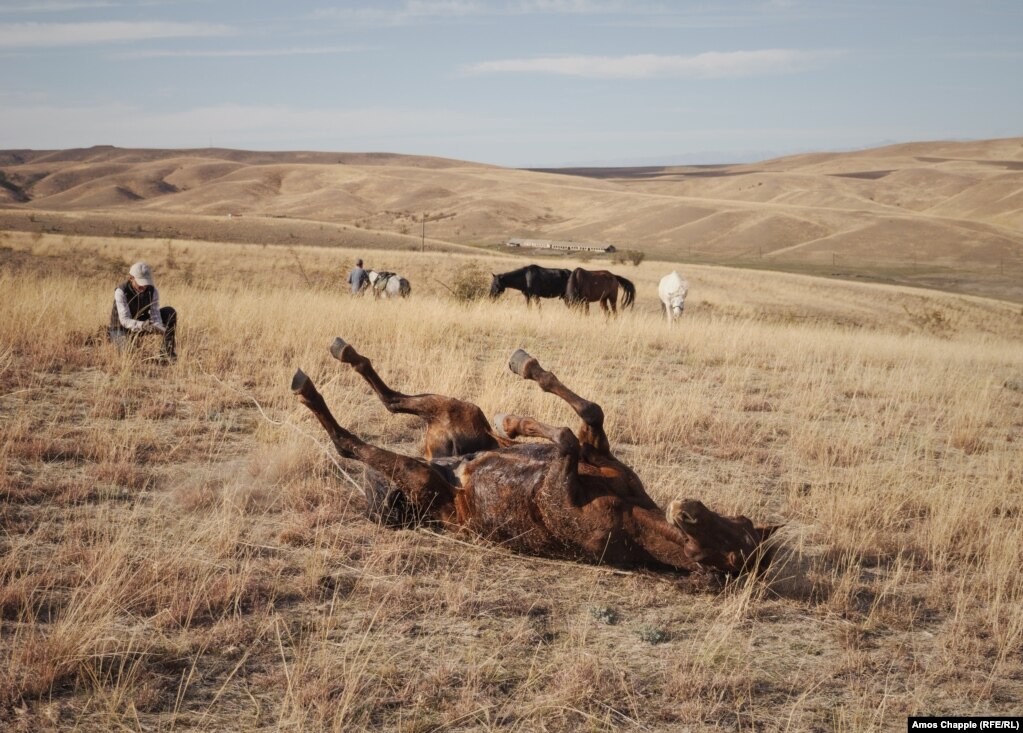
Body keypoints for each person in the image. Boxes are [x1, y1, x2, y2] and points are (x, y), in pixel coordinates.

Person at [108, 261, 177, 361]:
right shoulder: (121, 291)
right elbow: (124, 320)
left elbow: (155, 314)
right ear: (131, 278)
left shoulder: (153, 291)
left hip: (142, 323)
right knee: (128, 359)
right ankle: (114, 337)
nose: (144, 286)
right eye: (140, 282)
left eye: (146, 282)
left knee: (169, 312)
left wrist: (159, 327)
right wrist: (143, 325)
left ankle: (167, 353)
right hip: (120, 327)